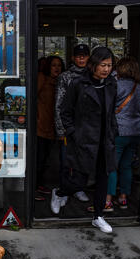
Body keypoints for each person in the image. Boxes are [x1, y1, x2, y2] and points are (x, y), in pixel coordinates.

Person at [51, 47, 119, 233]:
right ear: (93, 65)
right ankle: (59, 192)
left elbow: (111, 111)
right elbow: (65, 111)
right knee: (78, 180)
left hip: (104, 140)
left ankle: (98, 216)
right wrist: (73, 132)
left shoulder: (111, 84)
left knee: (102, 179)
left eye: (109, 65)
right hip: (83, 140)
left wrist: (113, 132)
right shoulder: (78, 84)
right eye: (103, 65)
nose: (106, 69)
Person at [105, 57, 140, 211]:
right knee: (127, 167)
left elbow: (108, 108)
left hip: (119, 132)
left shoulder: (116, 86)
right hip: (136, 133)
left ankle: (107, 200)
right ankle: (123, 199)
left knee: (111, 166)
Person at [53, 44, 91, 205]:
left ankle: (78, 188)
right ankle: (64, 189)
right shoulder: (65, 77)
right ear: (73, 58)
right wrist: (61, 130)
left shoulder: (92, 75)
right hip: (69, 127)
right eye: (78, 56)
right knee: (66, 160)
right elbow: (58, 104)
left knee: (83, 160)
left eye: (84, 55)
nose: (81, 58)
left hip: (87, 128)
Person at [36, 56, 65, 201]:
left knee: (46, 159)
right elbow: (31, 98)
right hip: (40, 126)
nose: (56, 68)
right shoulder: (42, 78)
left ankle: (39, 184)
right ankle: (34, 188)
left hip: (53, 128)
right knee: (39, 159)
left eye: (59, 65)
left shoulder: (61, 82)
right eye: (53, 65)